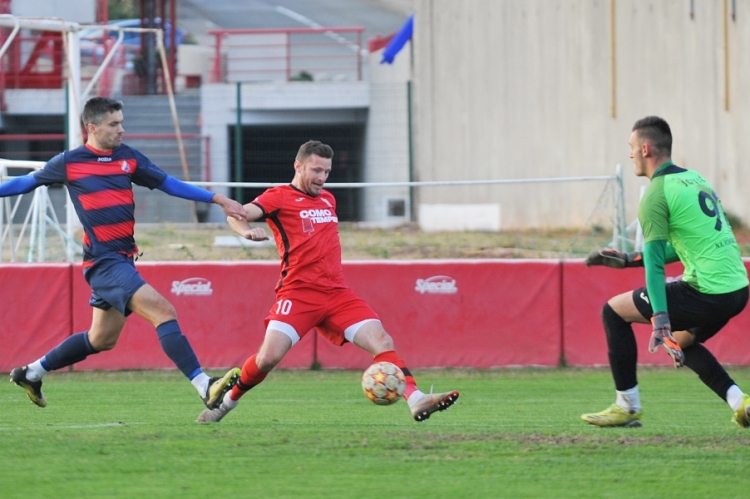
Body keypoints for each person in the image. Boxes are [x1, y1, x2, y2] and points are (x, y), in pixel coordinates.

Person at [5, 97, 244, 411]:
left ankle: (31, 372)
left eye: (121, 122)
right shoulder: (68, 162)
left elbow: (169, 184)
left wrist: (216, 198)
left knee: (101, 339)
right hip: (104, 262)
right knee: (164, 311)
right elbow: (26, 183)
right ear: (92, 127)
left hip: (122, 259)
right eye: (114, 124)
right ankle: (205, 386)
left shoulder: (128, 157)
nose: (122, 129)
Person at [196, 140, 460, 423]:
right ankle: (224, 405)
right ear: (298, 166)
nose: (322, 178)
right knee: (267, 359)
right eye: (316, 170)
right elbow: (236, 214)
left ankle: (416, 400)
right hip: (298, 294)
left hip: (336, 294)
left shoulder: (327, 199)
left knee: (382, 340)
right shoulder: (278, 196)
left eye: (327, 172)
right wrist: (246, 232)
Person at [581, 116, 750, 428]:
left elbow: (656, 264)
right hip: (738, 290)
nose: (630, 154)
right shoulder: (694, 179)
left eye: (631, 148)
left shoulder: (656, 194)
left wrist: (660, 319)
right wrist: (630, 258)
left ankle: (627, 406)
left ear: (645, 149)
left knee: (613, 312)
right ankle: (740, 401)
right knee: (684, 343)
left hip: (708, 291)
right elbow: (689, 246)